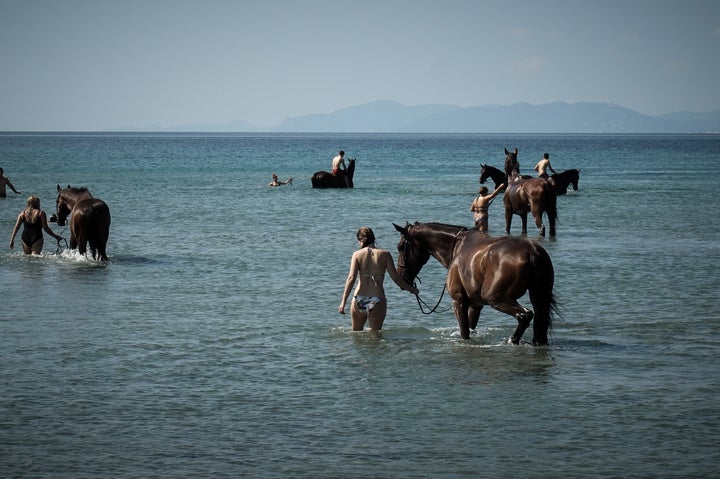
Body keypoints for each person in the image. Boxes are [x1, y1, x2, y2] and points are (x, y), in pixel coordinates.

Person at [339, 227, 418, 331]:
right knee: (375, 338)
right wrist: (412, 290)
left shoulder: (357, 254)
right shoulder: (385, 254)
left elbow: (351, 278)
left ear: (361, 240)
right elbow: (395, 278)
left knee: (357, 336)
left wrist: (343, 302)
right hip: (377, 300)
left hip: (359, 299)